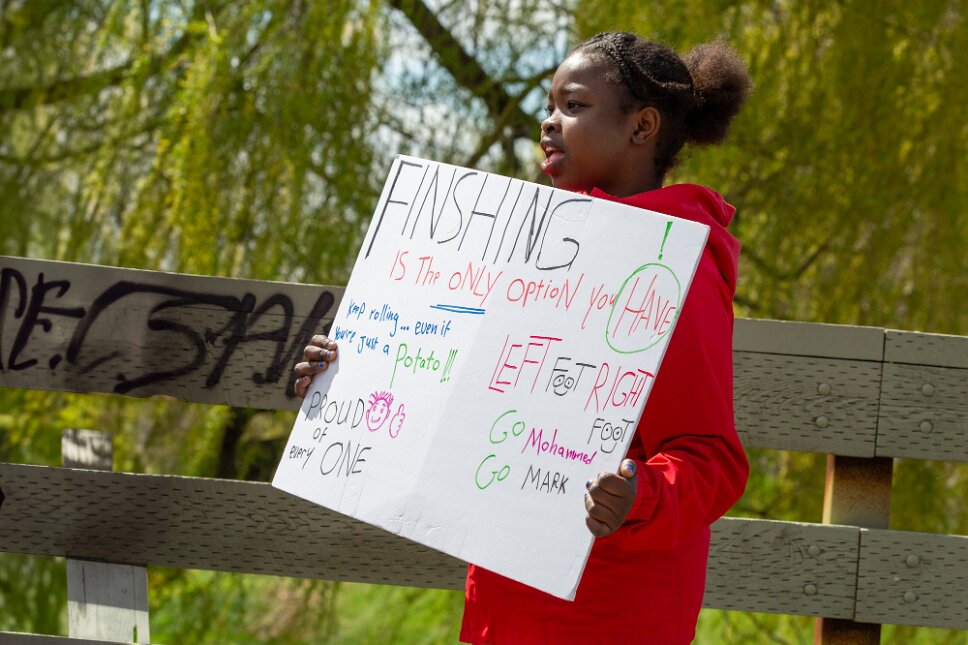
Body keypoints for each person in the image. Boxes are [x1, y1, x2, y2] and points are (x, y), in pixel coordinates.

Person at [294, 31, 751, 645]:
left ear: (642, 126)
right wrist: (348, 376)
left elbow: (710, 458)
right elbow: (445, 375)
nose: (548, 123)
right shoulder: (531, 252)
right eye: (548, 105)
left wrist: (640, 493)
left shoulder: (675, 267)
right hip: (504, 598)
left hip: (614, 611)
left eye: (574, 106)